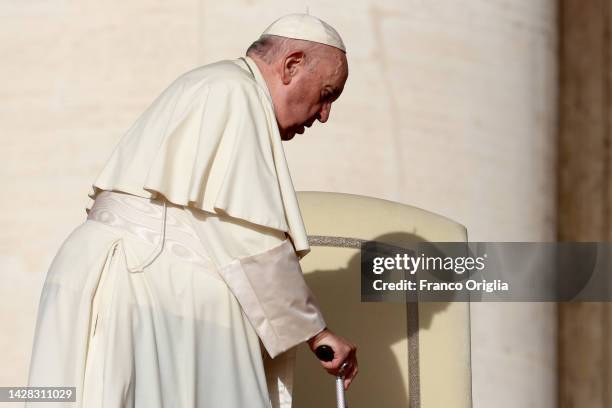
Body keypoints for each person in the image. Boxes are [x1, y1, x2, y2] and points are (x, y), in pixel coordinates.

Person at [26, 12, 358, 408]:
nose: (324, 115)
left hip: (108, 271)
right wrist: (317, 334)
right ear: (291, 65)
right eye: (326, 93)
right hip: (143, 287)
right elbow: (251, 241)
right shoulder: (236, 94)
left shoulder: (211, 83)